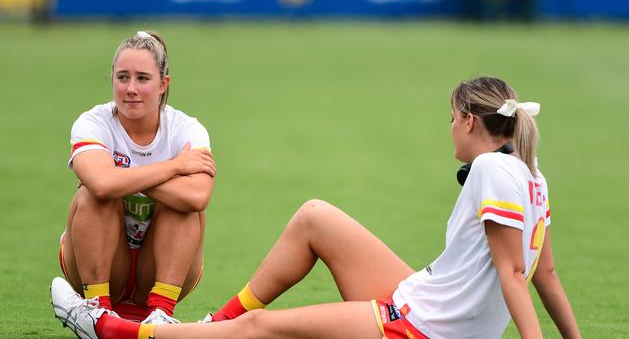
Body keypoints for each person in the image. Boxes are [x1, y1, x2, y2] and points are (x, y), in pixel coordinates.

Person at [52, 76, 581, 338]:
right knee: (315, 217)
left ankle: (115, 330)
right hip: (427, 300)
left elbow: (515, 274)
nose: (449, 130)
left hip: (423, 329)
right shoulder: (535, 176)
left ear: (468, 121)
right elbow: (547, 275)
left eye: (451, 119)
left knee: (261, 328)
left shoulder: (489, 170)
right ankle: (216, 323)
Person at [57, 30, 216, 325]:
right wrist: (174, 167)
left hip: (160, 269)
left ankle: (161, 314)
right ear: (112, 79)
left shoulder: (187, 129)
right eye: (122, 77)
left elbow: (198, 196)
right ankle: (96, 310)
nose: (130, 88)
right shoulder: (92, 122)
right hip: (95, 265)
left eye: (142, 78)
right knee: (92, 197)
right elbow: (102, 186)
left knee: (184, 207)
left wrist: (119, 175)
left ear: (162, 85)